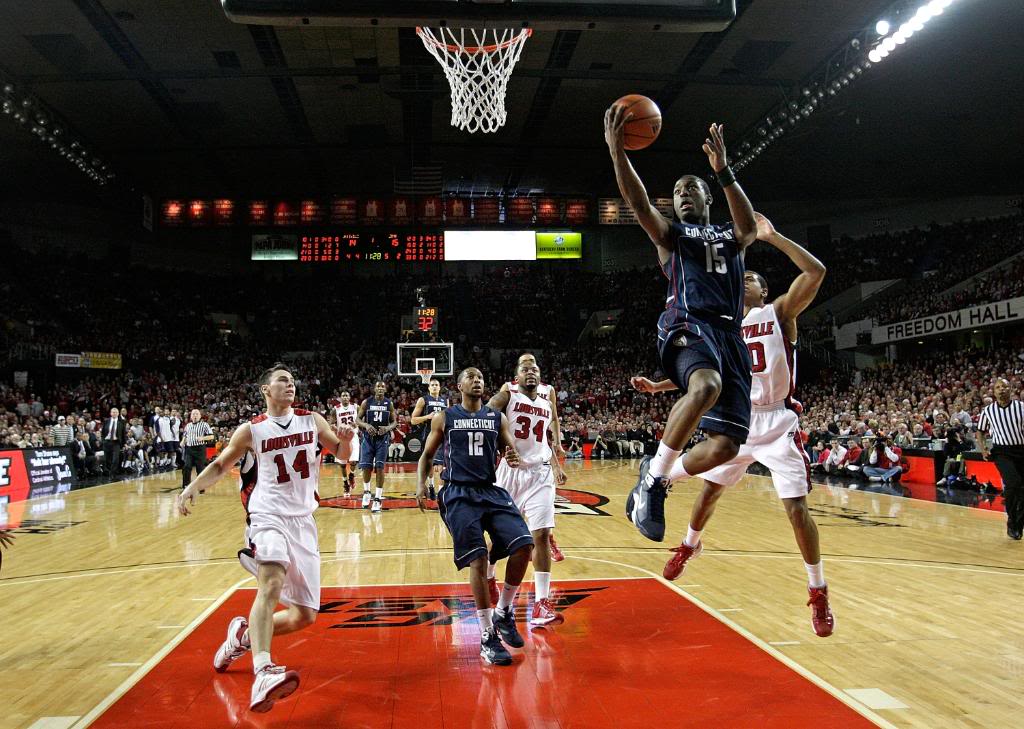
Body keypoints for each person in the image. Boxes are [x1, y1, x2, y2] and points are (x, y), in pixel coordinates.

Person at [631, 213, 834, 637]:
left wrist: (773, 237)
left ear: (763, 289)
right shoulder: (722, 325)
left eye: (754, 279)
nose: (746, 282)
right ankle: (687, 542)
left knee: (796, 509)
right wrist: (660, 385)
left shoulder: (779, 312)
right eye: (743, 277)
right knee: (709, 490)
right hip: (740, 417)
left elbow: (816, 271)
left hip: (777, 421)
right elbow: (703, 368)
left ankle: (818, 591)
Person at [605, 106, 759, 542]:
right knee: (705, 387)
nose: (684, 194)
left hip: (729, 335)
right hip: (686, 323)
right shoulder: (672, 236)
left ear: (708, 198)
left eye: (692, 188)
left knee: (727, 445)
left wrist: (724, 171)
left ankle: (661, 477)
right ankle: (654, 479)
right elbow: (636, 202)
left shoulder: (732, 236)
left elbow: (747, 227)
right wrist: (619, 154)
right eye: (677, 191)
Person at [176, 363, 354, 713]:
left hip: (303, 520)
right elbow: (221, 465)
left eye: (292, 381)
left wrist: (346, 441)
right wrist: (191, 489)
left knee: (304, 616)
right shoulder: (252, 429)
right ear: (265, 390)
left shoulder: (312, 420)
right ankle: (263, 670)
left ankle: (241, 638)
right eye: (282, 381)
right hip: (267, 515)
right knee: (271, 582)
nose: (290, 385)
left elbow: (342, 454)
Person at [416, 367, 532, 666]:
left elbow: (510, 447)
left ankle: (504, 611)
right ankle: (486, 634)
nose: (477, 380)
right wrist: (420, 485)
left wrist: (512, 455)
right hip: (458, 494)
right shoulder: (446, 417)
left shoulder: (497, 418)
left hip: (490, 491)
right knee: (478, 559)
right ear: (460, 385)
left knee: (524, 545)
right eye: (471, 376)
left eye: (481, 376)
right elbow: (427, 456)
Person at [488, 357, 568, 627]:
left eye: (535, 368)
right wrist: (501, 447)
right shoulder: (506, 394)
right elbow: (487, 416)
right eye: (525, 369)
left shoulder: (548, 397)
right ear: (516, 376)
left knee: (541, 535)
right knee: (501, 539)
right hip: (510, 473)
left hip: (540, 472)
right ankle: (489, 574)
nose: (530, 372)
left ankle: (541, 604)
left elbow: (548, 431)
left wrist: (556, 457)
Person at [977, 378, 1024, 540]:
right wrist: (983, 450)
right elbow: (980, 431)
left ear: (1010, 389)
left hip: (1021, 449)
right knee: (1013, 483)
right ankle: (1012, 521)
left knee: (1022, 489)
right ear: (994, 392)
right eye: (998, 387)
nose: (1001, 389)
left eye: (1004, 386)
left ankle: (1019, 523)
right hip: (1002, 452)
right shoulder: (988, 410)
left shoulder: (1021, 407)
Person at [355, 381, 397, 513]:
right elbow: (357, 419)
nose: (380, 388)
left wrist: (388, 428)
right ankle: (367, 492)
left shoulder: (388, 403)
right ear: (374, 388)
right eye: (378, 386)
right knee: (366, 467)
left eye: (382, 387)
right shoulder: (366, 402)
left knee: (380, 467)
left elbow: (394, 421)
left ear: (385, 389)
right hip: (368, 439)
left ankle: (378, 498)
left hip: (382, 439)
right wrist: (366, 425)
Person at [409, 377, 448, 499]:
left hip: (442, 436)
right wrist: (427, 417)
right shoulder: (423, 400)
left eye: (437, 384)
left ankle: (441, 493)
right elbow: (413, 420)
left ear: (440, 387)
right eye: (432, 385)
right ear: (429, 387)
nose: (435, 386)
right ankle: (431, 486)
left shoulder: (445, 401)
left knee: (442, 465)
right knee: (430, 464)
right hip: (428, 435)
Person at [332, 391, 360, 496]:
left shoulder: (356, 407)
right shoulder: (335, 409)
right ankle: (345, 484)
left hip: (353, 436)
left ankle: (351, 475)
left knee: (353, 461)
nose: (345, 397)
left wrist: (356, 424)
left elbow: (361, 418)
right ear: (340, 397)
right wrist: (336, 428)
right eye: (343, 395)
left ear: (349, 397)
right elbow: (332, 424)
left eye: (347, 395)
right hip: (342, 437)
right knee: (342, 464)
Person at [181, 408, 214, 490]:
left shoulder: (204, 424)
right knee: (186, 466)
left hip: (200, 449)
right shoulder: (188, 425)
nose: (195, 415)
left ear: (200, 416)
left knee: (200, 469)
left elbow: (211, 436)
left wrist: (203, 438)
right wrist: (182, 441)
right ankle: (186, 485)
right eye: (193, 414)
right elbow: (185, 435)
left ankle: (201, 486)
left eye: (196, 414)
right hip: (189, 449)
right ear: (191, 416)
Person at [101, 406, 127, 477]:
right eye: (113, 412)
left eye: (116, 412)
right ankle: (109, 471)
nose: (114, 413)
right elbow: (103, 432)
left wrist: (124, 443)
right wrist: (103, 440)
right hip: (107, 442)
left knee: (115, 459)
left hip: (116, 442)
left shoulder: (121, 422)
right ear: (110, 413)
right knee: (107, 459)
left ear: (118, 413)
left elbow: (123, 434)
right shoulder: (106, 421)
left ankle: (112, 473)